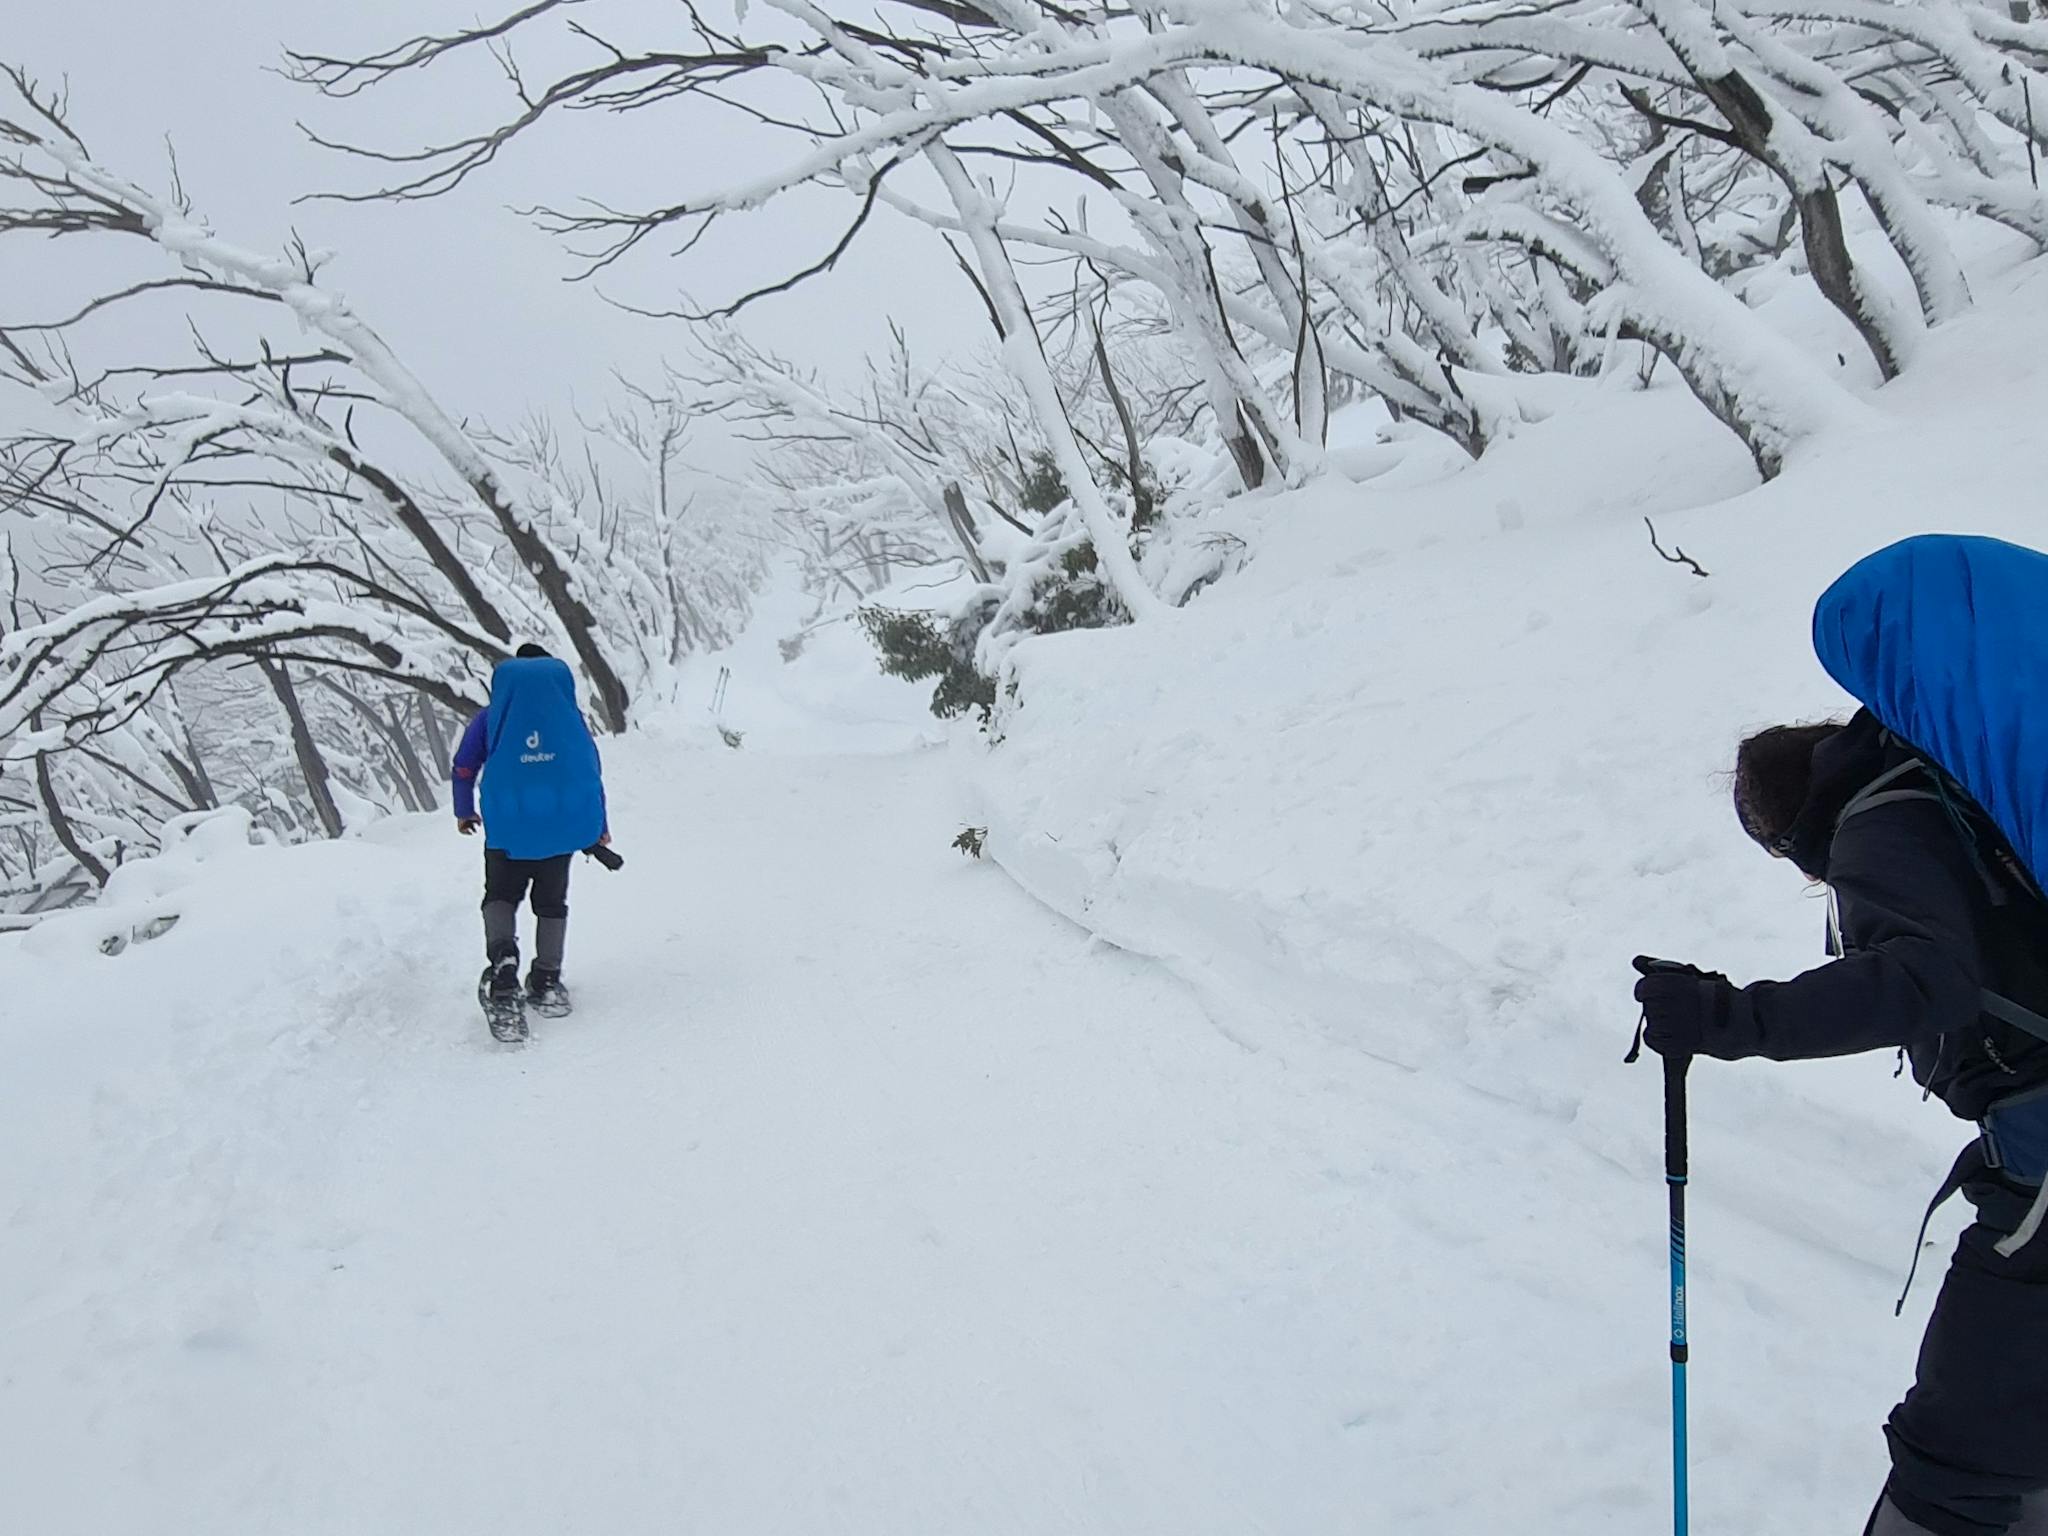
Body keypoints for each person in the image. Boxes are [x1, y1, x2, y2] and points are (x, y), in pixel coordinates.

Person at [1634, 711, 2048, 1536]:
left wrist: (1730, 1017)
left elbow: (1922, 982)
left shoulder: (1878, 827)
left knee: (1960, 1463)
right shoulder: (1947, 799)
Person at [451, 643, 610, 1019]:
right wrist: (597, 827)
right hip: (559, 829)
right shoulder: (567, 718)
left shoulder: (493, 717)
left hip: (508, 829)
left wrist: (464, 810)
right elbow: (589, 775)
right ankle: (547, 979)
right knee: (551, 903)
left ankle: (504, 963)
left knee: (501, 896)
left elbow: (463, 767)